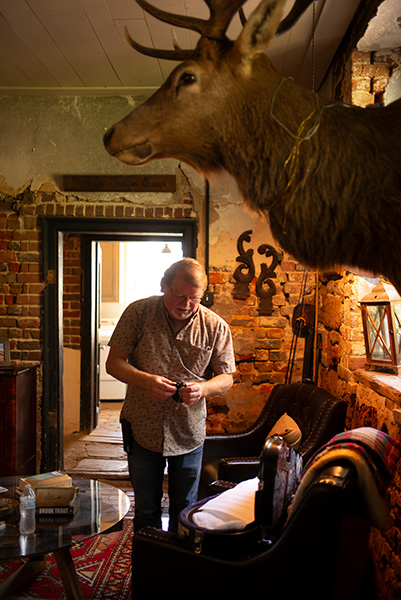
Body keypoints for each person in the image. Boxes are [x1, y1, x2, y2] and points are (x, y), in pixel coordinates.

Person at [106, 258, 235, 533]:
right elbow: (113, 362)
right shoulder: (138, 313)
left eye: (195, 298)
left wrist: (204, 389)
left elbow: (226, 377)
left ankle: (178, 570)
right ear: (164, 287)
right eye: (179, 296)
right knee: (146, 508)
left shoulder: (215, 326)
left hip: (188, 432)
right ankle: (147, 568)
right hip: (142, 426)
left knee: (185, 508)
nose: (186, 304)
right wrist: (146, 380)